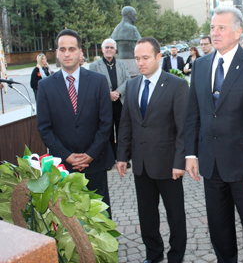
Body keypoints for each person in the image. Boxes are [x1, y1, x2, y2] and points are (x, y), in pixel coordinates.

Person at [185, 6, 243, 263]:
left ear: (238, 31)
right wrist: (191, 153)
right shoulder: (200, 66)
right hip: (211, 166)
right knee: (219, 230)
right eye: (212, 27)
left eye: (221, 27)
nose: (215, 33)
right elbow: (193, 114)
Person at [116, 37, 188, 263]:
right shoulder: (132, 85)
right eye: (137, 58)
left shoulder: (177, 85)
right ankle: (153, 255)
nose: (140, 63)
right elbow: (126, 123)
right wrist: (122, 157)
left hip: (168, 165)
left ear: (159, 56)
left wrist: (180, 162)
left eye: (145, 57)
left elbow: (183, 128)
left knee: (176, 216)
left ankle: (176, 256)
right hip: (141, 164)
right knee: (147, 215)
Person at [36, 29, 114, 216]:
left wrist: (90, 154)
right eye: (62, 49)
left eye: (72, 49)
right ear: (56, 53)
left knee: (100, 213)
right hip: (64, 164)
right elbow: (44, 128)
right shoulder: (45, 86)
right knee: (70, 218)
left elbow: (106, 122)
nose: (67, 53)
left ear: (80, 52)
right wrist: (67, 155)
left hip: (95, 162)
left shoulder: (99, 81)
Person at [89, 38, 131, 167]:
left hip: (120, 102)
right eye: (106, 47)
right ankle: (109, 160)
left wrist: (117, 92)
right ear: (102, 49)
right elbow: (93, 84)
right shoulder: (94, 66)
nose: (109, 50)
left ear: (115, 50)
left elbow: (128, 80)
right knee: (106, 132)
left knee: (121, 131)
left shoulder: (122, 64)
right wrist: (108, 94)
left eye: (111, 47)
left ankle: (122, 159)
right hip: (103, 103)